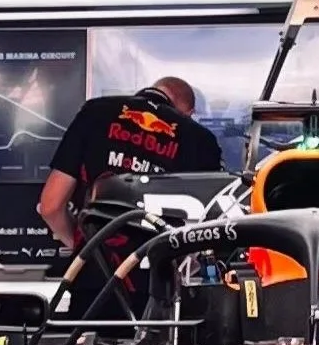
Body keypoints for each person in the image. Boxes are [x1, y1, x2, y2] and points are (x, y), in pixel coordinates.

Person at [36, 71, 226, 253]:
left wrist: (82, 248)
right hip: (161, 275)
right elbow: (210, 230)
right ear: (189, 113)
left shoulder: (95, 112)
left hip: (95, 272)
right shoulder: (201, 139)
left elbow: (50, 206)